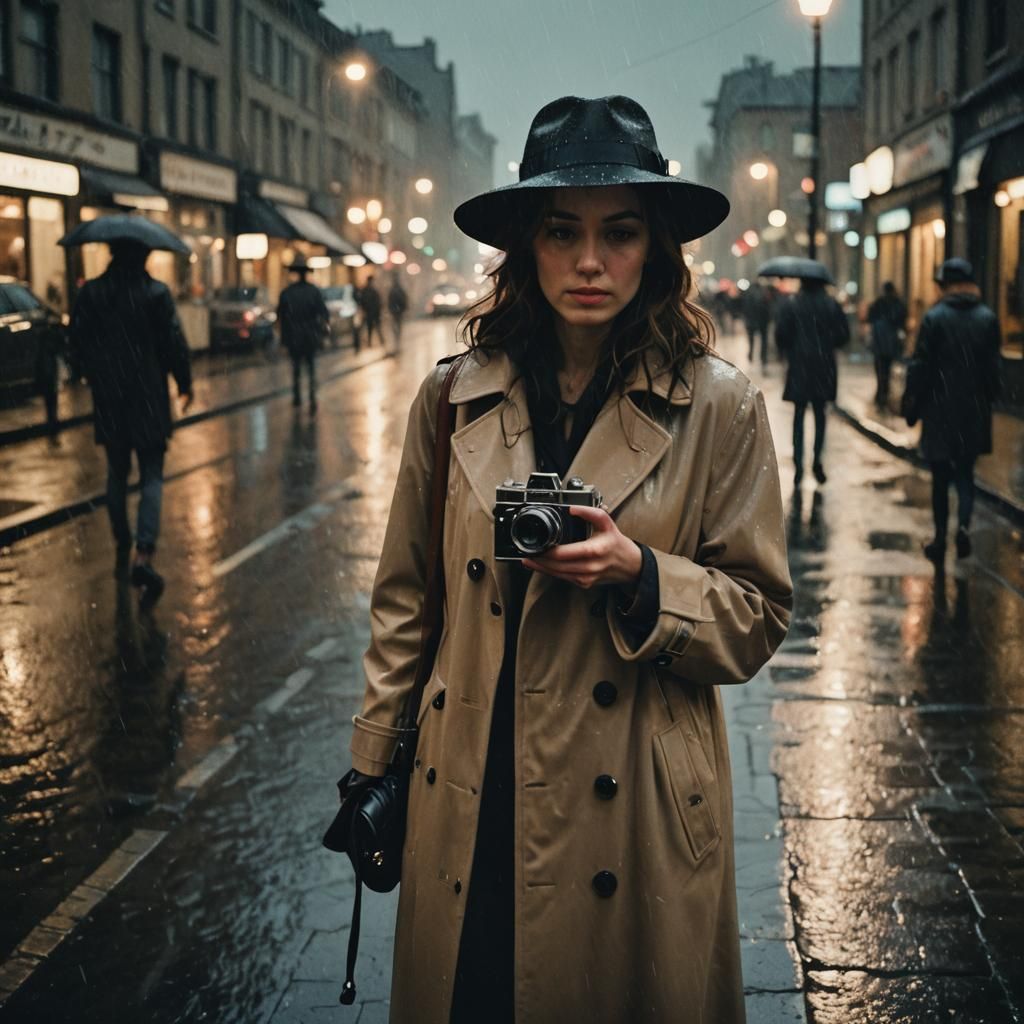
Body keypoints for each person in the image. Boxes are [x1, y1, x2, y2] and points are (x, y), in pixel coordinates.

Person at [343, 95, 792, 1022]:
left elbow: (757, 614)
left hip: (629, 807)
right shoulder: (453, 397)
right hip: (475, 779)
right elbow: (405, 601)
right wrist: (372, 761)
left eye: (620, 233)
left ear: (657, 248)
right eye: (563, 233)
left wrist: (641, 574)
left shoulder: (720, 406)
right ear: (526, 247)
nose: (590, 262)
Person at [69, 239, 192, 605]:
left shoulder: (92, 293)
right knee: (152, 473)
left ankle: (122, 539)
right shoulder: (156, 293)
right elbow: (173, 342)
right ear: (143, 257)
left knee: (117, 471)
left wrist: (89, 373)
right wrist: (184, 383)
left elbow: (77, 340)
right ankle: (143, 553)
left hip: (110, 396)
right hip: (148, 394)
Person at [908, 258, 1001, 562]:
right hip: (973, 409)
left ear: (945, 286)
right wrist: (988, 399)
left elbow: (921, 366)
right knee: (965, 474)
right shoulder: (987, 318)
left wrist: (912, 402)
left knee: (940, 477)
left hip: (939, 410)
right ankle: (962, 527)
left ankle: (939, 538)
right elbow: (993, 370)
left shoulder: (935, 318)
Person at [774, 274, 849, 485]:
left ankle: (798, 463)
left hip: (799, 365)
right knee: (820, 414)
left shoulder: (793, 304)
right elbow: (844, 335)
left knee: (798, 415)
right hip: (823, 366)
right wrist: (826, 342)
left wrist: (792, 346)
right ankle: (817, 460)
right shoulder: (831, 305)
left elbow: (781, 335)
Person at [277, 257, 329, 411]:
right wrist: (321, 331)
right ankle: (312, 398)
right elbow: (324, 314)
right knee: (311, 367)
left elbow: (281, 316)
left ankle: (297, 397)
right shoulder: (314, 291)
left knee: (296, 368)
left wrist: (284, 338)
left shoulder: (287, 293)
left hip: (294, 336)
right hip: (310, 335)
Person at [867, 281, 907, 409]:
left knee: (880, 368)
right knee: (887, 368)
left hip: (879, 341)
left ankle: (881, 393)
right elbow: (902, 319)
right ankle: (883, 392)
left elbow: (870, 317)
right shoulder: (897, 303)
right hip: (890, 342)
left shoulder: (879, 303)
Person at [741, 280, 772, 365]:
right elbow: (768, 308)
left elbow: (744, 307)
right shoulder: (764, 292)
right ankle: (763, 357)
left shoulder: (748, 293)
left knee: (751, 340)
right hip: (762, 321)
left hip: (751, 320)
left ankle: (751, 354)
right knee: (763, 340)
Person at [357, 274, 384, 347]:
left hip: (373, 312)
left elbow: (378, 301)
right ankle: (371, 342)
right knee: (371, 328)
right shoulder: (367, 290)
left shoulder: (370, 290)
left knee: (375, 328)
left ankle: (380, 341)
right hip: (370, 312)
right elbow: (362, 302)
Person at [387, 275, 409, 353]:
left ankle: (397, 338)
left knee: (396, 326)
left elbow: (389, 301)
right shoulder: (399, 290)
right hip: (398, 311)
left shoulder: (393, 290)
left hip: (396, 311)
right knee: (397, 326)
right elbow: (405, 299)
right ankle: (397, 338)